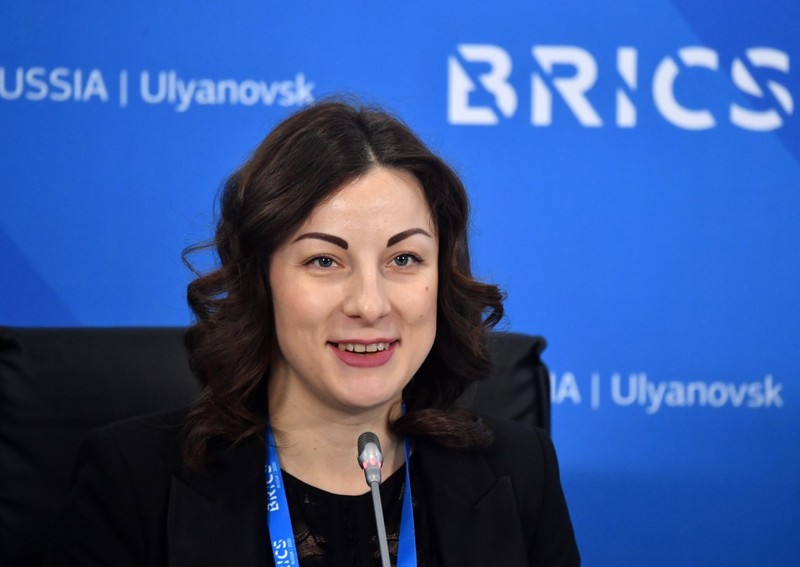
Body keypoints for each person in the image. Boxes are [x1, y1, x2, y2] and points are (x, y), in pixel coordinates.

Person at [45, 100, 580, 566]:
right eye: (324, 260)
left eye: (404, 258)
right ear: (261, 281)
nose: (369, 304)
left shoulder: (520, 472)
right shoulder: (131, 480)